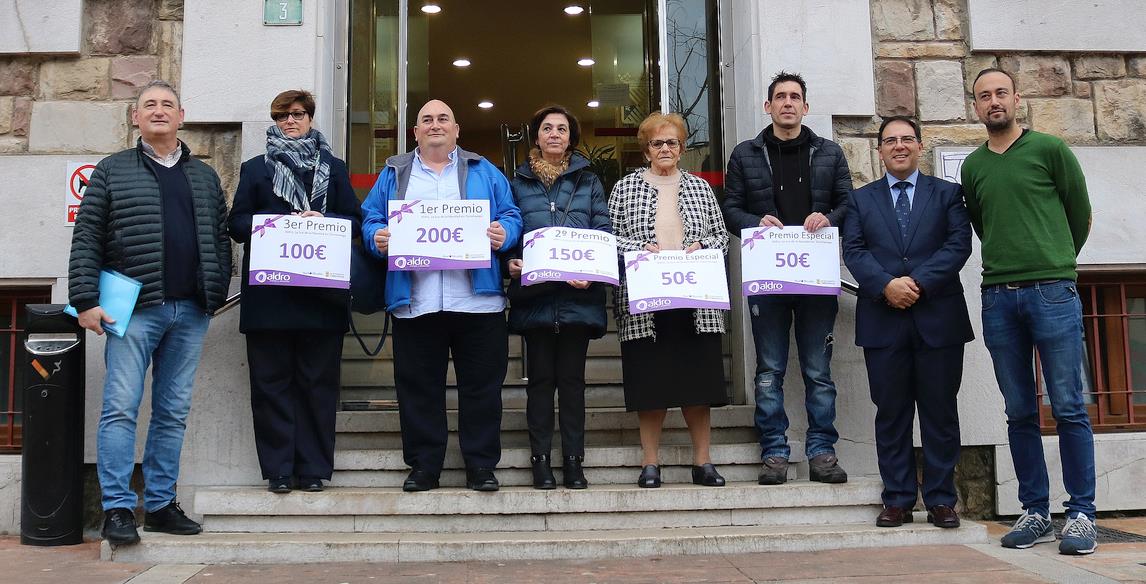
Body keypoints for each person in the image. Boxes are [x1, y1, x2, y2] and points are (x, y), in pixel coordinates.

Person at [68, 80, 231, 545]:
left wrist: (215, 290)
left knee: (172, 412)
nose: (158, 111)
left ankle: (160, 505)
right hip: (132, 312)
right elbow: (87, 238)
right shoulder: (112, 170)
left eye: (167, 105)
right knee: (120, 409)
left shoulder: (203, 176)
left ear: (182, 115)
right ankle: (118, 509)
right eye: (149, 105)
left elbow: (219, 239)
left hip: (191, 312)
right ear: (134, 117)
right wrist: (85, 300)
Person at [963, 68, 1097, 555]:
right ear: (975, 106)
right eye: (984, 96)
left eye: (1001, 92)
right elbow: (983, 224)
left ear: (1017, 98)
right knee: (1019, 411)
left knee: (1068, 407)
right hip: (999, 297)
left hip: (1052, 293)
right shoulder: (973, 167)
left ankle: (1081, 514)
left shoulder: (1050, 151)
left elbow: (1078, 214)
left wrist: (1055, 260)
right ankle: (1036, 511)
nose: (993, 101)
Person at [361, 99, 522, 493]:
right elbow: (371, 217)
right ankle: (424, 467)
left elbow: (512, 214)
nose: (435, 125)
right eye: (426, 120)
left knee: (482, 389)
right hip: (416, 301)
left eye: (443, 119)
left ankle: (481, 466)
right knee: (418, 389)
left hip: (477, 301)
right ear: (415, 132)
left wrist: (505, 233)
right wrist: (375, 237)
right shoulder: (394, 173)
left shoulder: (485, 170)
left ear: (456, 129)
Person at [227, 90, 362, 494]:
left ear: (311, 118)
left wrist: (323, 220)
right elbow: (235, 225)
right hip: (270, 301)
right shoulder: (255, 169)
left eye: (298, 114)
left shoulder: (334, 169)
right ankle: (279, 470)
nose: (290, 120)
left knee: (318, 387)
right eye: (282, 115)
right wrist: (275, 224)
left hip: (320, 299)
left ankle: (313, 470)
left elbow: (355, 222)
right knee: (270, 386)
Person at [842, 116, 973, 529]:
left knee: (940, 413)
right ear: (878, 150)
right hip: (884, 320)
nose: (899, 146)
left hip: (938, 318)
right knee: (892, 413)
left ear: (919, 146)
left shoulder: (949, 194)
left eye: (906, 139)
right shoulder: (861, 200)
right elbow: (855, 251)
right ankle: (897, 498)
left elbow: (958, 246)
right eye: (890, 141)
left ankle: (940, 500)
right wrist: (886, 286)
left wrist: (914, 283)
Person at [722, 70, 852, 485]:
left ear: (805, 107)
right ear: (768, 106)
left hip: (815, 280)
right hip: (769, 280)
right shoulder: (745, 154)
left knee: (818, 371)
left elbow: (849, 204)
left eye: (795, 97)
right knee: (769, 370)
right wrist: (753, 222)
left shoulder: (830, 153)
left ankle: (822, 453)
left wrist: (828, 218)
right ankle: (775, 452)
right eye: (780, 97)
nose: (787, 103)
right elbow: (730, 209)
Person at [609, 112, 729, 489]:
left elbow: (722, 237)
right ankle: (650, 463)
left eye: (672, 142)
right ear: (646, 150)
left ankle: (703, 462)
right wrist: (641, 248)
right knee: (651, 382)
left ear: (681, 148)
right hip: (646, 300)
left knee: (699, 381)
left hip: (695, 299)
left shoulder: (700, 188)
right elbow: (609, 239)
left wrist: (701, 246)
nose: (665, 149)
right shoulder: (624, 189)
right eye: (657, 143)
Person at [505, 105, 611, 490]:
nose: (554, 134)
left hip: (577, 301)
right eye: (547, 128)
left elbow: (604, 229)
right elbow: (507, 231)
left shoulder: (589, 181)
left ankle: (573, 462)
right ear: (536, 136)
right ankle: (540, 462)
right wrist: (511, 262)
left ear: (571, 137)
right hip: (535, 299)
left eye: (561, 129)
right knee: (539, 384)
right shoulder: (516, 183)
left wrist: (591, 271)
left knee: (572, 383)